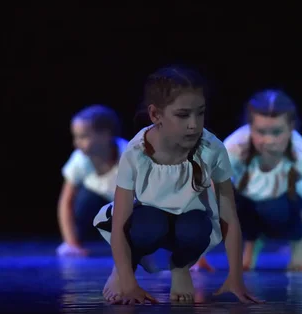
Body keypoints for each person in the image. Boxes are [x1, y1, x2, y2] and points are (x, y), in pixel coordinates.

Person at [93, 66, 261, 304]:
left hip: (190, 222)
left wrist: (235, 277)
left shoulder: (212, 148)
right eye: (183, 115)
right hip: (147, 221)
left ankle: (181, 268)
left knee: (195, 227)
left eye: (200, 113)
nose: (194, 124)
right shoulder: (136, 151)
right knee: (149, 225)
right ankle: (122, 269)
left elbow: (229, 217)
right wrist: (128, 281)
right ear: (155, 115)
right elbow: (120, 223)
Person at [210, 89, 302, 271]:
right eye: (261, 132)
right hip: (245, 207)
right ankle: (251, 241)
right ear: (250, 127)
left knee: (274, 208)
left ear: (291, 128)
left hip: (281, 208)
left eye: (277, 132)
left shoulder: (300, 150)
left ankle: (299, 236)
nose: (269, 140)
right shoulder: (235, 146)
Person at [57, 105, 127, 257]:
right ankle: (78, 241)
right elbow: (66, 203)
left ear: (105, 135)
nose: (77, 143)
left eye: (83, 137)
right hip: (100, 210)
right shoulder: (79, 159)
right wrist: (71, 243)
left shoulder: (130, 156)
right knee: (84, 198)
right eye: (75, 137)